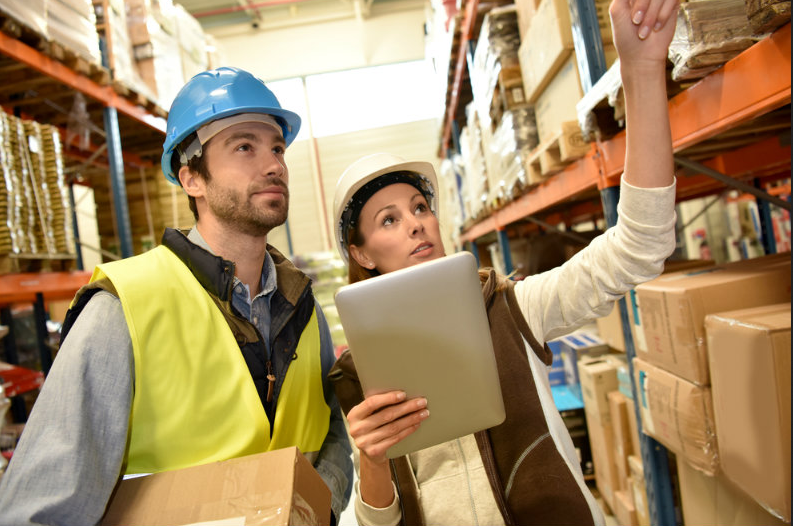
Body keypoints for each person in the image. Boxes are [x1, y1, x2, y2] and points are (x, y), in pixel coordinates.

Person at [328, 0, 680, 522]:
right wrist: (373, 460)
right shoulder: (359, 375)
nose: (417, 223)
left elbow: (638, 248)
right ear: (360, 253)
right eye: (388, 220)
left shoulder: (512, 309)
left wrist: (641, 71)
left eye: (420, 207)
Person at [0, 67, 352, 525]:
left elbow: (332, 439)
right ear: (192, 179)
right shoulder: (124, 309)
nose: (274, 166)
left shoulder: (303, 309)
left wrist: (314, 503)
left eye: (278, 148)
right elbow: (39, 508)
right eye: (244, 146)